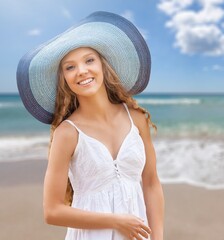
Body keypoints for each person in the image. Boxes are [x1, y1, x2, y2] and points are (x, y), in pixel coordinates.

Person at [16, 11, 164, 240]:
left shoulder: (136, 119)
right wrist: (116, 222)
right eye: (70, 67)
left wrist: (158, 237)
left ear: (103, 65)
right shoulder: (67, 133)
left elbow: (152, 183)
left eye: (89, 60)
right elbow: (52, 211)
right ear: (63, 78)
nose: (82, 71)